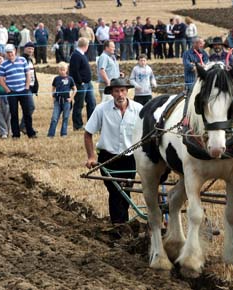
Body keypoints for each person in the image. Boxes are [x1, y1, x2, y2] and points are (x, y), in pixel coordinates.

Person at [84, 78, 143, 224]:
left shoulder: (138, 109)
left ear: (127, 91)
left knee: (126, 192)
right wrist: (91, 156)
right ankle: (120, 226)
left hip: (130, 158)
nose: (120, 94)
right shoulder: (102, 109)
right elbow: (88, 133)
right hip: (108, 158)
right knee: (116, 192)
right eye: (116, 91)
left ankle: (122, 225)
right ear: (111, 93)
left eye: (122, 90)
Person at [0, 44, 36, 138]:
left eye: (11, 52)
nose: (10, 54)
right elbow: (1, 79)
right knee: (14, 114)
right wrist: (7, 90)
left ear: (15, 51)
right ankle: (16, 134)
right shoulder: (3, 64)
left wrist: (27, 87)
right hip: (12, 93)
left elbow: (27, 74)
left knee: (27, 113)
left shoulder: (22, 60)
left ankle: (30, 133)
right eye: (7, 52)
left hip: (23, 90)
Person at [70, 37, 96, 130]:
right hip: (81, 84)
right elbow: (74, 71)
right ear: (86, 46)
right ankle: (78, 125)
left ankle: (92, 123)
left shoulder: (82, 54)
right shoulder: (76, 55)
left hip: (88, 83)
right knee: (79, 104)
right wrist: (80, 82)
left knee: (92, 102)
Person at [48, 62, 77, 137]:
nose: (62, 71)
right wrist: (53, 96)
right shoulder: (56, 79)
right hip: (58, 100)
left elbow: (75, 89)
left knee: (65, 117)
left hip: (66, 101)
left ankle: (63, 133)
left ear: (66, 70)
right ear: (58, 70)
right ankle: (51, 134)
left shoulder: (70, 79)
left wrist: (71, 98)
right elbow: (53, 88)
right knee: (54, 118)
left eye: (64, 70)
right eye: (60, 70)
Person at [20, 42, 39, 134]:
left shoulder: (30, 60)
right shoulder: (22, 59)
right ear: (25, 49)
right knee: (30, 107)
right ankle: (24, 126)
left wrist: (35, 86)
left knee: (29, 107)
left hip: (31, 87)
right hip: (25, 87)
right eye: (29, 48)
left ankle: (25, 127)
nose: (31, 50)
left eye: (32, 49)